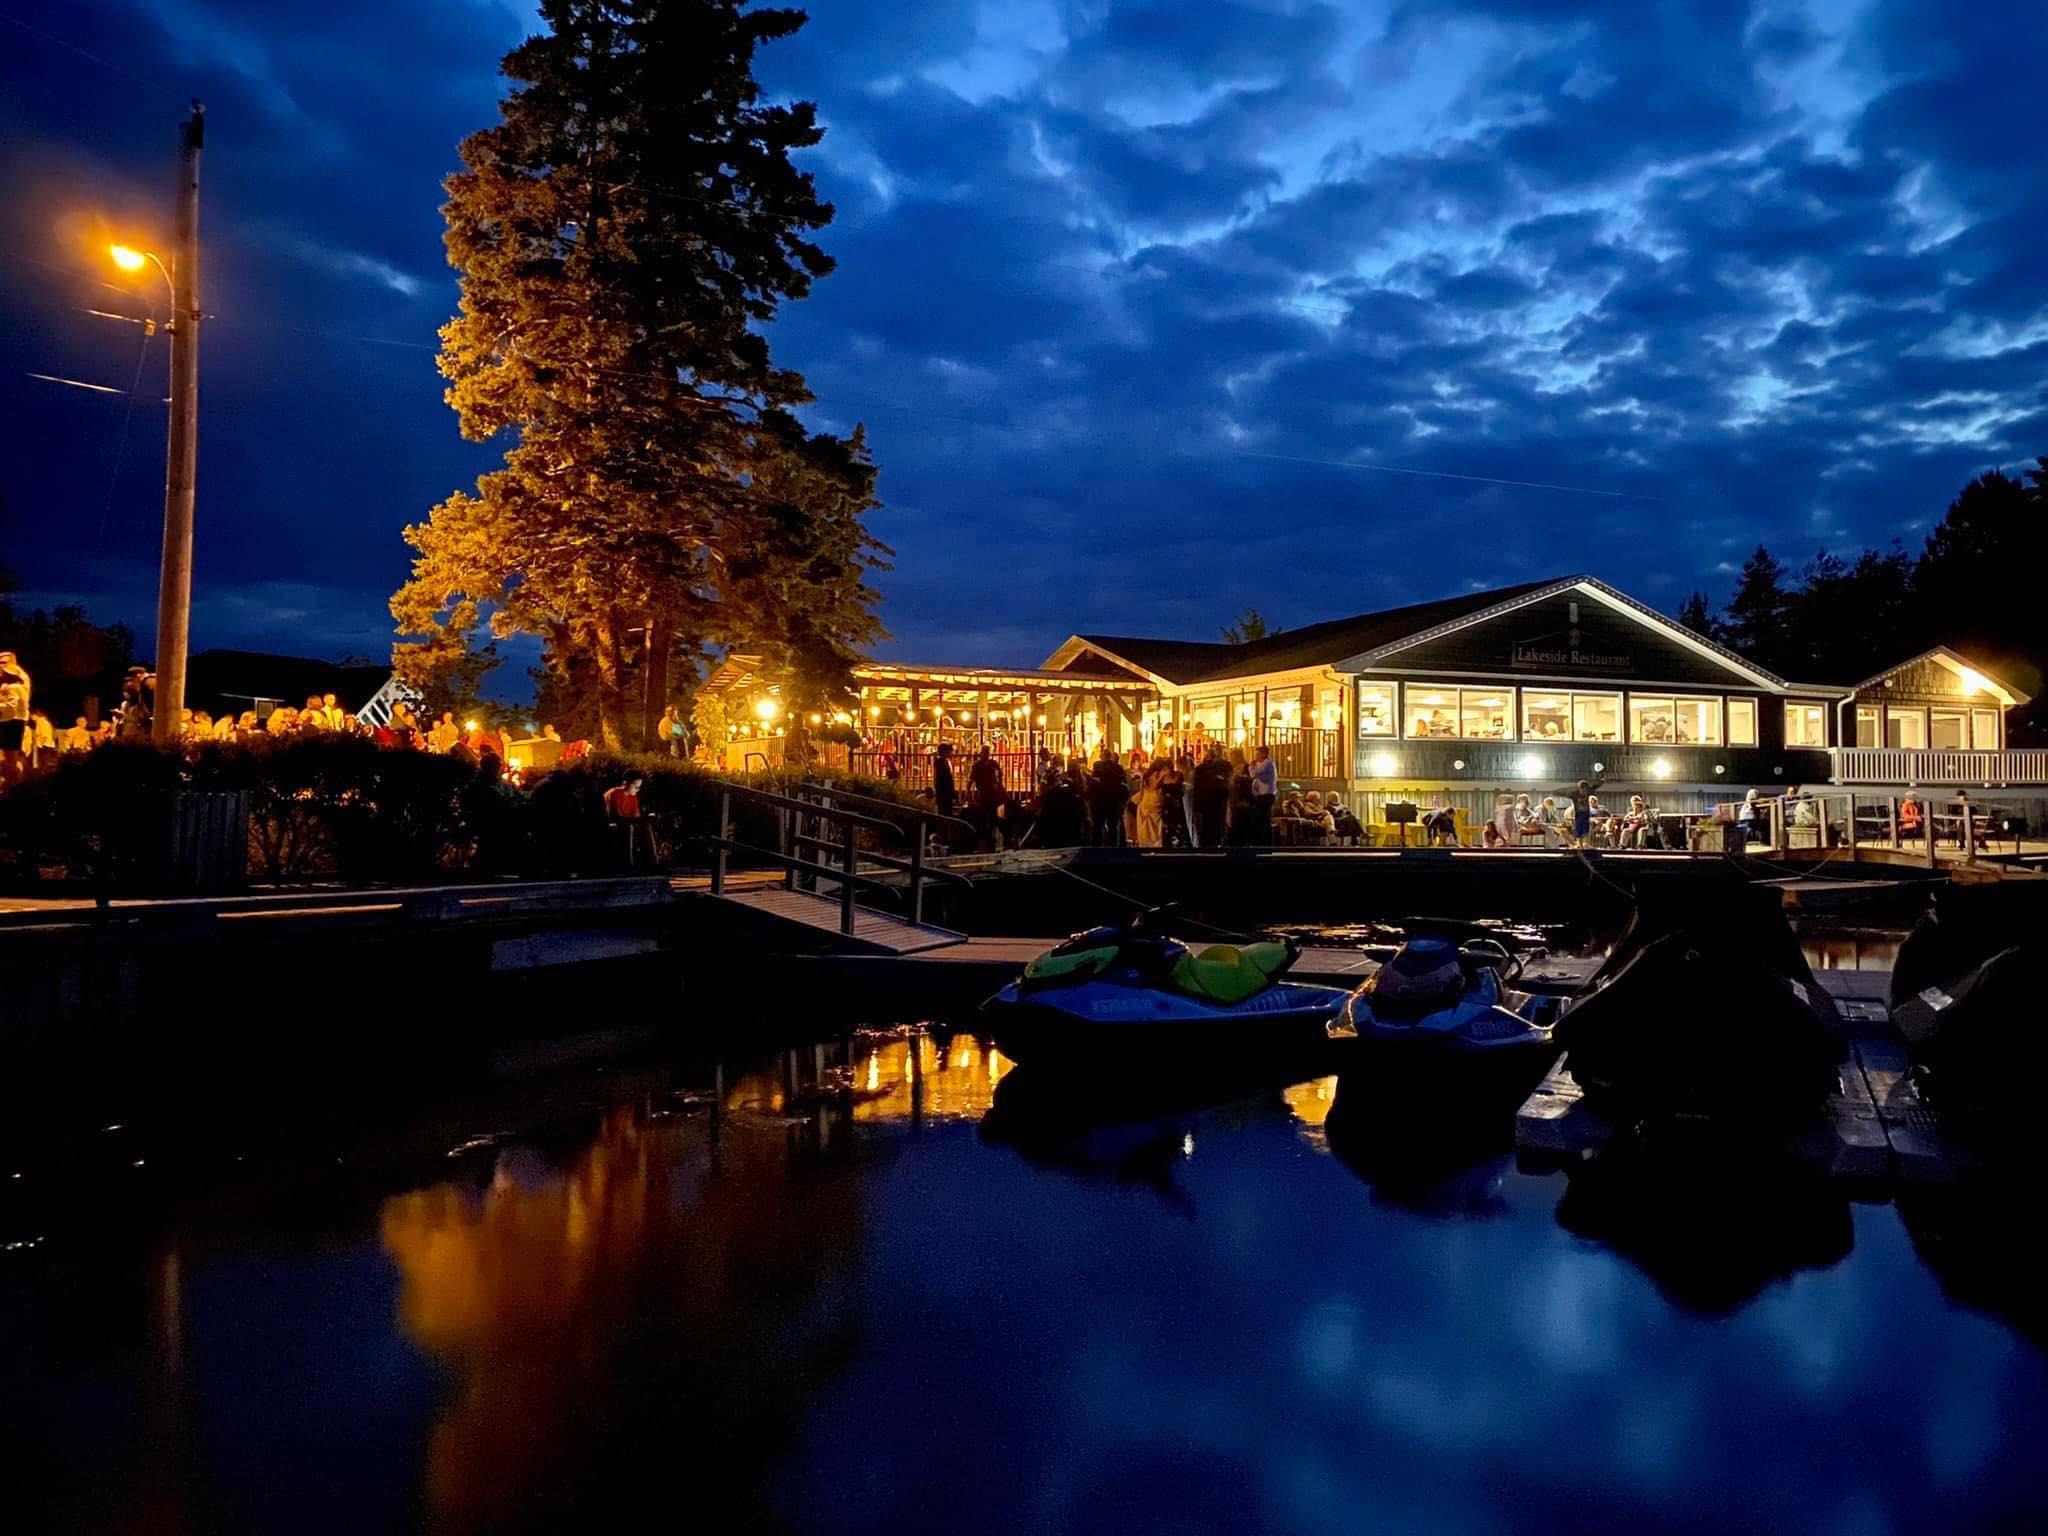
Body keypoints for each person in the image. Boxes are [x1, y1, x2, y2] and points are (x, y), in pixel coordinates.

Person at [603, 775, 652, 866]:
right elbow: (614, 815)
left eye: (639, 787)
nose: (637, 789)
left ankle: (651, 862)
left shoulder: (633, 797)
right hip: (612, 822)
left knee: (645, 827)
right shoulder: (615, 793)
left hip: (625, 821)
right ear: (626, 784)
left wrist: (643, 819)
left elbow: (635, 815)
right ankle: (628, 863)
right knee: (627, 828)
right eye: (636, 787)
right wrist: (634, 820)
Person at [0, 651, 31, 786]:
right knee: (9, 756)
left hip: (13, 720)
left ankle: (16, 785)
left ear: (13, 663)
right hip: (9, 719)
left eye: (3, 662)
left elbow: (11, 707)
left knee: (11, 757)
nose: (1, 665)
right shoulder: (10, 681)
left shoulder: (16, 682)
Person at [1192, 744, 1231, 849]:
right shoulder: (1223, 767)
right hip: (1217, 801)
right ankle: (1217, 842)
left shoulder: (1200, 769)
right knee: (1217, 823)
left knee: (1207, 824)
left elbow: (1196, 786)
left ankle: (1206, 843)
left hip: (1205, 801)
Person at [968, 746, 1005, 850]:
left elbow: (1000, 776)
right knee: (984, 817)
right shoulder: (978, 765)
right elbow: (971, 779)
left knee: (993, 816)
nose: (986, 754)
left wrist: (999, 786)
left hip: (992, 794)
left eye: (987, 752)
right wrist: (968, 794)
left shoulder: (992, 764)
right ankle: (986, 840)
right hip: (983, 793)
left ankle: (991, 839)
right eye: (984, 752)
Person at [1246, 743, 1277, 844]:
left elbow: (1255, 773)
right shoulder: (1258, 764)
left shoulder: (1268, 764)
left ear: (1264, 754)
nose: (1256, 756)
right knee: (1260, 818)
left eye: (1258, 753)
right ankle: (1261, 840)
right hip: (1260, 794)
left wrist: (1252, 766)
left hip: (1267, 794)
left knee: (1263, 817)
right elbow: (1253, 775)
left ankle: (1265, 841)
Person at [1557, 778, 1602, 847]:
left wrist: (1602, 781)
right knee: (1579, 829)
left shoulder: (1588, 792)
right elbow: (1566, 793)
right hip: (1579, 813)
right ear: (1580, 789)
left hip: (1586, 813)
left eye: (1585, 790)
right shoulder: (1575, 794)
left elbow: (1595, 787)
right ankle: (1580, 845)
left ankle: (1585, 844)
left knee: (1586, 829)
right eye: (1582, 789)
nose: (1584, 791)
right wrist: (1560, 792)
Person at [933, 741, 958, 824]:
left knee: (946, 811)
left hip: (945, 792)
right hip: (944, 792)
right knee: (944, 812)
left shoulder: (944, 761)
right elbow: (945, 779)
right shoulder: (941, 762)